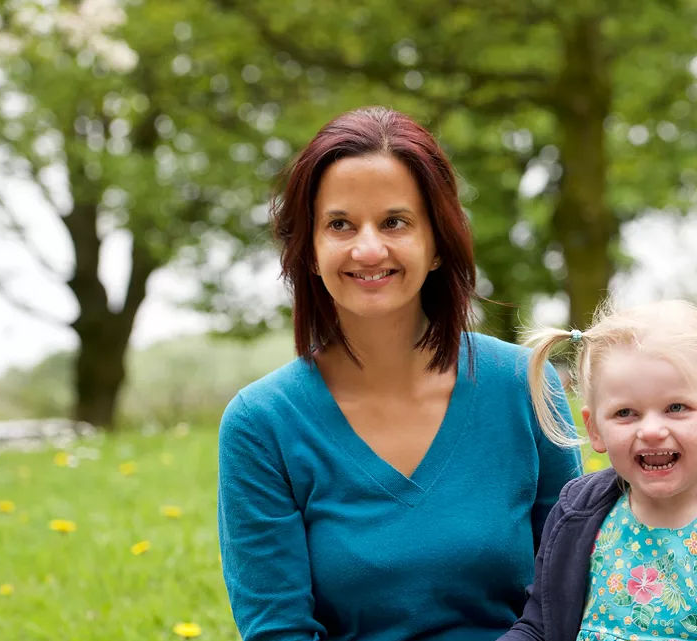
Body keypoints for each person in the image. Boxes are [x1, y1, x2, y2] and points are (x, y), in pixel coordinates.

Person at [217, 107, 582, 641]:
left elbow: (570, 594)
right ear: (310, 251)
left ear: (437, 243)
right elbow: (279, 631)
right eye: (340, 224)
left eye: (395, 222)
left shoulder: (525, 386)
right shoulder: (261, 424)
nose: (368, 248)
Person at [505, 300, 697, 641]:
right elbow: (539, 626)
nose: (651, 430)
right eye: (625, 413)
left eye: (676, 407)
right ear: (595, 429)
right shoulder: (574, 513)